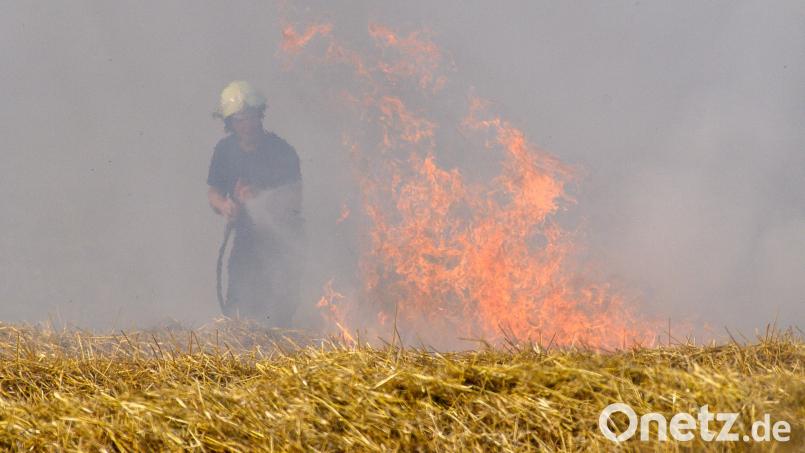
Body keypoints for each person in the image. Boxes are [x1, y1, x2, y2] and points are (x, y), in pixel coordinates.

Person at [207, 81, 304, 326]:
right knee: (238, 310)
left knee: (279, 310)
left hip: (280, 242)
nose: (246, 125)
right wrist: (225, 206)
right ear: (230, 123)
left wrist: (259, 197)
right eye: (239, 119)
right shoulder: (224, 151)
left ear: (260, 115)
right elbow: (214, 192)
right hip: (245, 242)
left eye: (250, 117)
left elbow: (295, 197)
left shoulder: (281, 151)